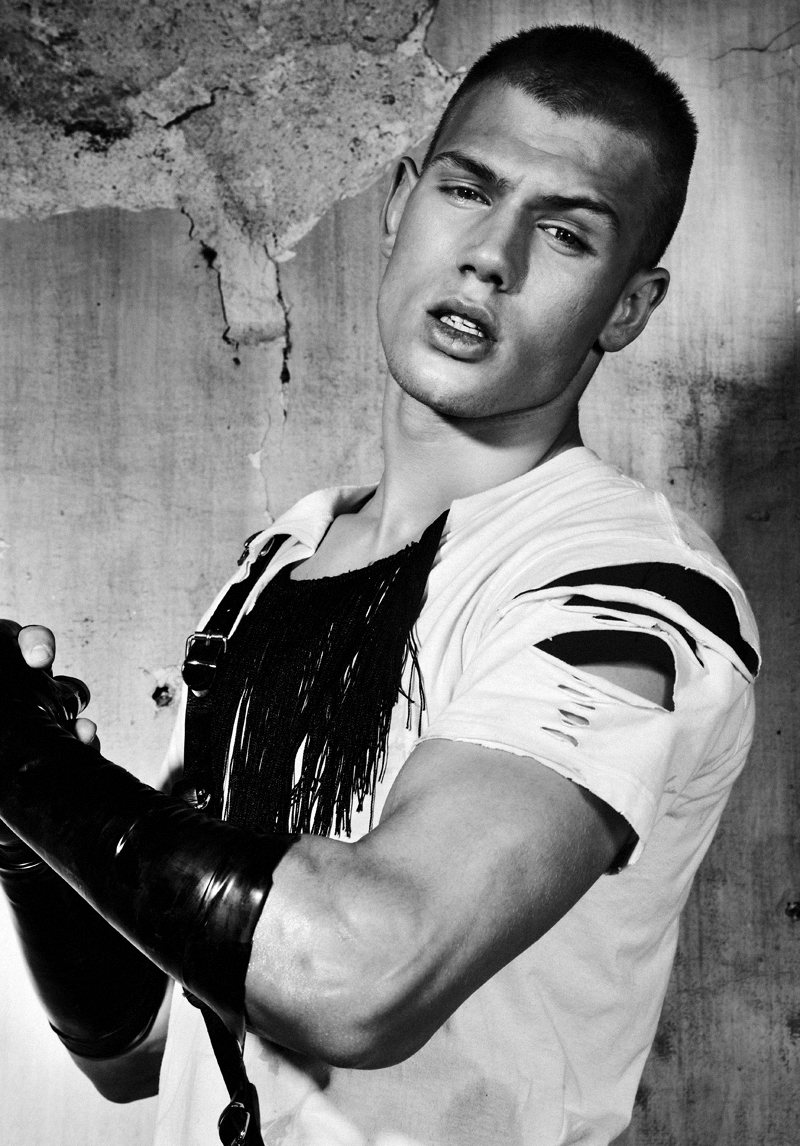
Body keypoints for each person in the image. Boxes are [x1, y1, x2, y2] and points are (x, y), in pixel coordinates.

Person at [0, 24, 759, 1146]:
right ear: (402, 201)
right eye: (468, 189)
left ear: (628, 307)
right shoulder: (281, 558)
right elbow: (134, 1043)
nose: (490, 257)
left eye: (564, 233)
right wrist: (30, 818)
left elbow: (355, 977)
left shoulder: (628, 594)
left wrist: (19, 759)